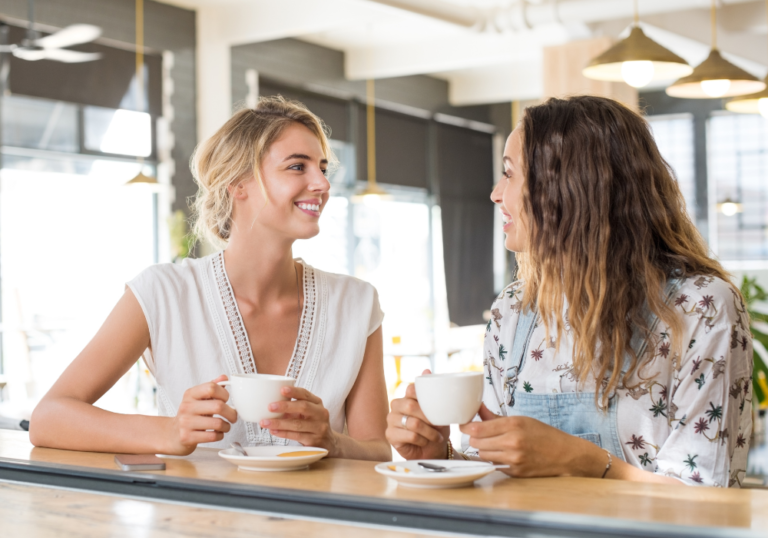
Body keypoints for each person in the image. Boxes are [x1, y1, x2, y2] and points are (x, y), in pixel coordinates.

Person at [387, 95, 753, 487]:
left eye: (509, 174)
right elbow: (493, 473)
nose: (496, 193)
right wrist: (440, 456)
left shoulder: (701, 308)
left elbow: (708, 499)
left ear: (567, 189)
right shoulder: (512, 310)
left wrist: (582, 460)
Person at [30, 97, 390, 461]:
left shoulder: (356, 304)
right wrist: (169, 431)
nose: (322, 184)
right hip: (195, 518)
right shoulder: (162, 293)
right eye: (298, 167)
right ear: (237, 183)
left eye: (323, 169)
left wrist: (332, 441)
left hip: (324, 518)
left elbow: (378, 450)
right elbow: (49, 417)